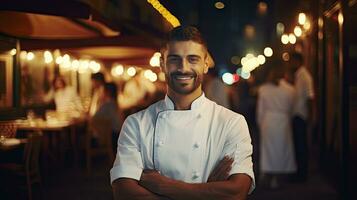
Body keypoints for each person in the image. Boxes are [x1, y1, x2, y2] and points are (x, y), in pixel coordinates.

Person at [111, 26, 254, 200]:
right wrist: (208, 190)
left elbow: (237, 192)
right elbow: (124, 192)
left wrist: (163, 185)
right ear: (162, 64)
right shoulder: (135, 124)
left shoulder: (232, 122)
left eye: (193, 59)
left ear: (206, 64)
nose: (183, 68)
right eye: (174, 59)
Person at [256, 60, 296, 188]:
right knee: (283, 149)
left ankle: (268, 173)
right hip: (283, 120)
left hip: (268, 121)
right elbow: (291, 108)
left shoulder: (263, 89)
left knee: (268, 150)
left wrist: (260, 123)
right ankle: (281, 174)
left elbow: (260, 110)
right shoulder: (290, 90)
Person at [289, 52, 315, 182]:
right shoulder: (298, 76)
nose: (291, 64)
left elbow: (310, 97)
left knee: (301, 145)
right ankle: (299, 172)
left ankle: (302, 174)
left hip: (301, 115)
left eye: (292, 61)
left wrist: (310, 115)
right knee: (298, 145)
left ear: (298, 61)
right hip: (297, 114)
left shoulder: (304, 76)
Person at [91, 82, 123, 152]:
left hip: (112, 137)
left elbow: (93, 120)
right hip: (118, 135)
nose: (100, 93)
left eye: (102, 91)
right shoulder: (114, 104)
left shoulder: (107, 105)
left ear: (107, 92)